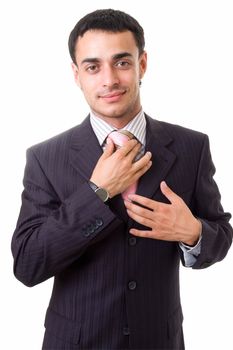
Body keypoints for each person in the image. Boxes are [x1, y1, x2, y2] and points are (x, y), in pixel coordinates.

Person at [11, 8, 233, 350]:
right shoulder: (45, 158)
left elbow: (221, 234)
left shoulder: (192, 146)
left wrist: (193, 233)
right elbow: (28, 265)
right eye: (93, 66)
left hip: (159, 340)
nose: (109, 79)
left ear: (142, 64)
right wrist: (97, 192)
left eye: (122, 62)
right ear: (77, 74)